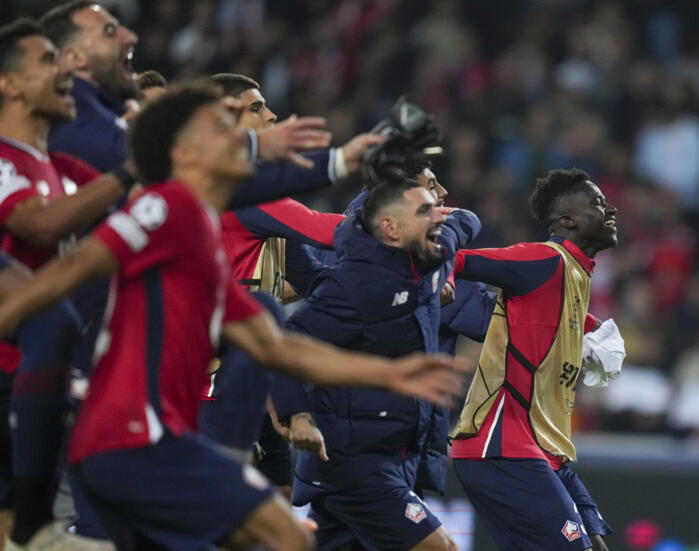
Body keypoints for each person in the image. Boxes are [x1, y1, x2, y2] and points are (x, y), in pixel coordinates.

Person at [0, 84, 468, 551]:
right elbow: (74, 267)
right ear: (186, 154)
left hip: (150, 437)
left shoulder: (200, 232)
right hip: (130, 437)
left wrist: (392, 372)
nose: (239, 140)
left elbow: (273, 344)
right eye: (222, 130)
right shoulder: (164, 207)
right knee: (281, 535)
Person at [0, 18, 146, 549]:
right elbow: (40, 223)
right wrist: (135, 168)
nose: (64, 69)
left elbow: (134, 202)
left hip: (49, 383)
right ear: (9, 84)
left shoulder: (59, 166)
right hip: (9, 382)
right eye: (46, 61)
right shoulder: (2, 160)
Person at [277, 173, 480, 551]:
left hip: (390, 453)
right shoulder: (354, 285)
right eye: (425, 211)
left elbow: (466, 221)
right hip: (353, 462)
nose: (439, 218)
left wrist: (447, 226)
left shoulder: (428, 260)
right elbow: (287, 344)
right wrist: (297, 415)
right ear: (389, 227)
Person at [202, 72, 381, 495]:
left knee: (276, 515)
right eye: (256, 107)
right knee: (214, 521)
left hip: (258, 381)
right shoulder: (242, 191)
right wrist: (399, 226)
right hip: (212, 387)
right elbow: (325, 230)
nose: (272, 114)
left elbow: (315, 278)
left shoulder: (258, 205)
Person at [450, 168, 617, 551]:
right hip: (499, 447)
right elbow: (458, 260)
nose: (610, 209)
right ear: (567, 220)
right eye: (596, 202)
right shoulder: (547, 260)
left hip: (537, 452)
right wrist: (439, 275)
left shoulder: (577, 280)